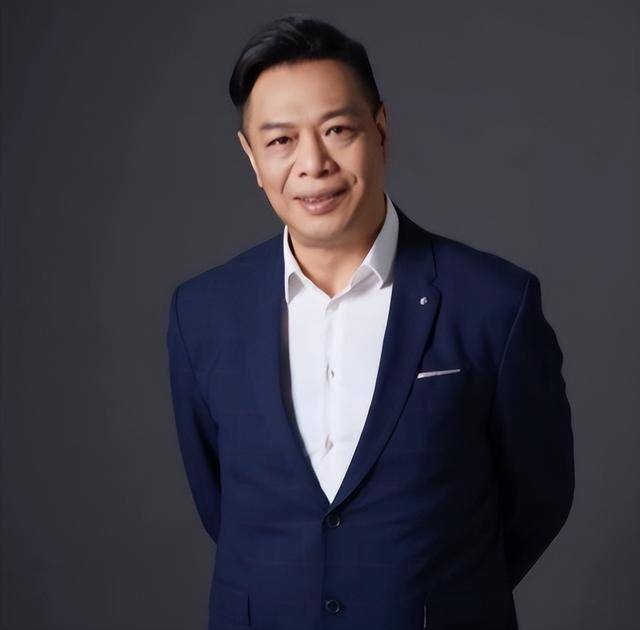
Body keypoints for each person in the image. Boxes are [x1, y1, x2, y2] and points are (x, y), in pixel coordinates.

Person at [166, 13, 574, 630]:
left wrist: (439, 595)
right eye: (280, 141)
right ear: (251, 156)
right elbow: (219, 501)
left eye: (337, 130)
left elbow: (538, 498)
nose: (313, 163)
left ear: (380, 130)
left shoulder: (495, 304)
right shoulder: (202, 313)